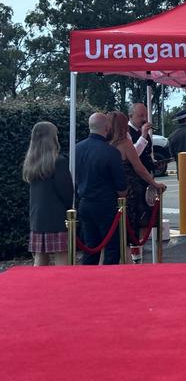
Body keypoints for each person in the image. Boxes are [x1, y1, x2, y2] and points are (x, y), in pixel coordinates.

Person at [75, 113, 127, 265]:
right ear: (107, 127)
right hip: (106, 205)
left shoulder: (77, 149)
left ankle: (88, 280)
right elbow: (120, 185)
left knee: (90, 248)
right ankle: (109, 281)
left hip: (84, 203)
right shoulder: (111, 152)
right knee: (112, 248)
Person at [108, 112, 166, 241]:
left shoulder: (106, 144)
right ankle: (133, 255)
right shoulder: (125, 143)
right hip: (129, 189)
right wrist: (154, 184)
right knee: (132, 229)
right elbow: (139, 167)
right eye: (141, 115)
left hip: (110, 191)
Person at [22, 121, 73, 266]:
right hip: (57, 217)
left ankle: (38, 287)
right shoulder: (58, 162)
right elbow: (66, 192)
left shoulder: (31, 164)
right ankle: (63, 287)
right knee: (62, 256)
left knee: (40, 257)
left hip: (37, 217)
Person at [128, 103, 154, 172]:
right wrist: (143, 135)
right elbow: (133, 155)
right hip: (135, 176)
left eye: (146, 115)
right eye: (141, 116)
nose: (145, 119)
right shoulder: (126, 132)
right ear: (130, 116)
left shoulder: (142, 131)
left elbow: (147, 152)